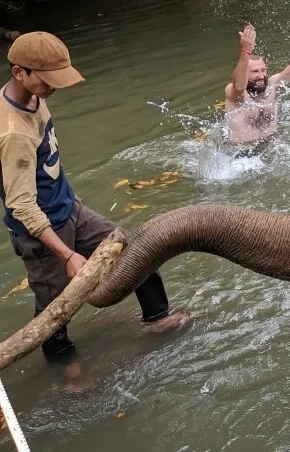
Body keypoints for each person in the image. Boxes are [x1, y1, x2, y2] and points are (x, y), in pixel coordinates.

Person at [1, 32, 190, 373]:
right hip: (39, 232)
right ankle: (67, 372)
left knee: (136, 249)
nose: (53, 88)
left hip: (69, 206)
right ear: (19, 73)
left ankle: (158, 318)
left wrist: (70, 203)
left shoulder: (33, 96)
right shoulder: (12, 131)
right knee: (54, 308)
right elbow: (22, 207)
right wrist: (68, 254)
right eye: (47, 80)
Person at [224, 16, 290, 146]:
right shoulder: (234, 92)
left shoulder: (272, 85)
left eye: (263, 70)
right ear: (244, 73)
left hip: (272, 147)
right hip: (241, 153)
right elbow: (239, 86)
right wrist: (246, 50)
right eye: (255, 71)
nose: (261, 75)